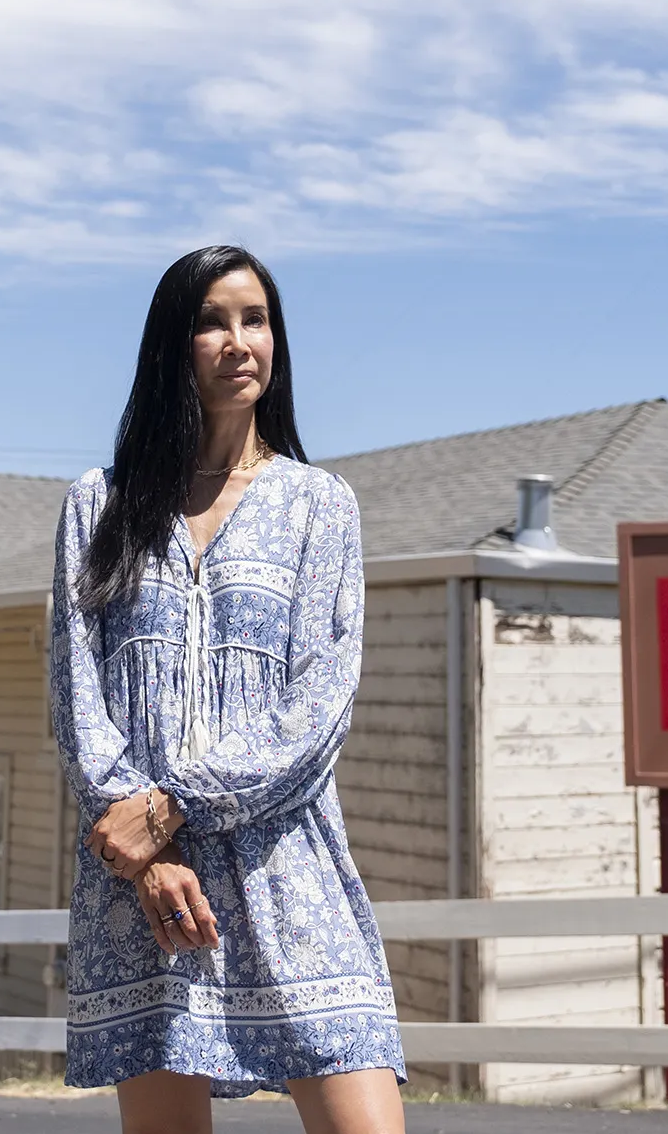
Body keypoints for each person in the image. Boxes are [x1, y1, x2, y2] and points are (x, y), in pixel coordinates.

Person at [49, 245, 406, 1134]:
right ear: (175, 344)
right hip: (150, 889)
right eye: (213, 320)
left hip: (285, 867)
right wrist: (142, 849)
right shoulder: (100, 504)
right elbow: (77, 693)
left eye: (256, 319)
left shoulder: (321, 505)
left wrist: (168, 808)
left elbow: (319, 705)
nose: (238, 340)